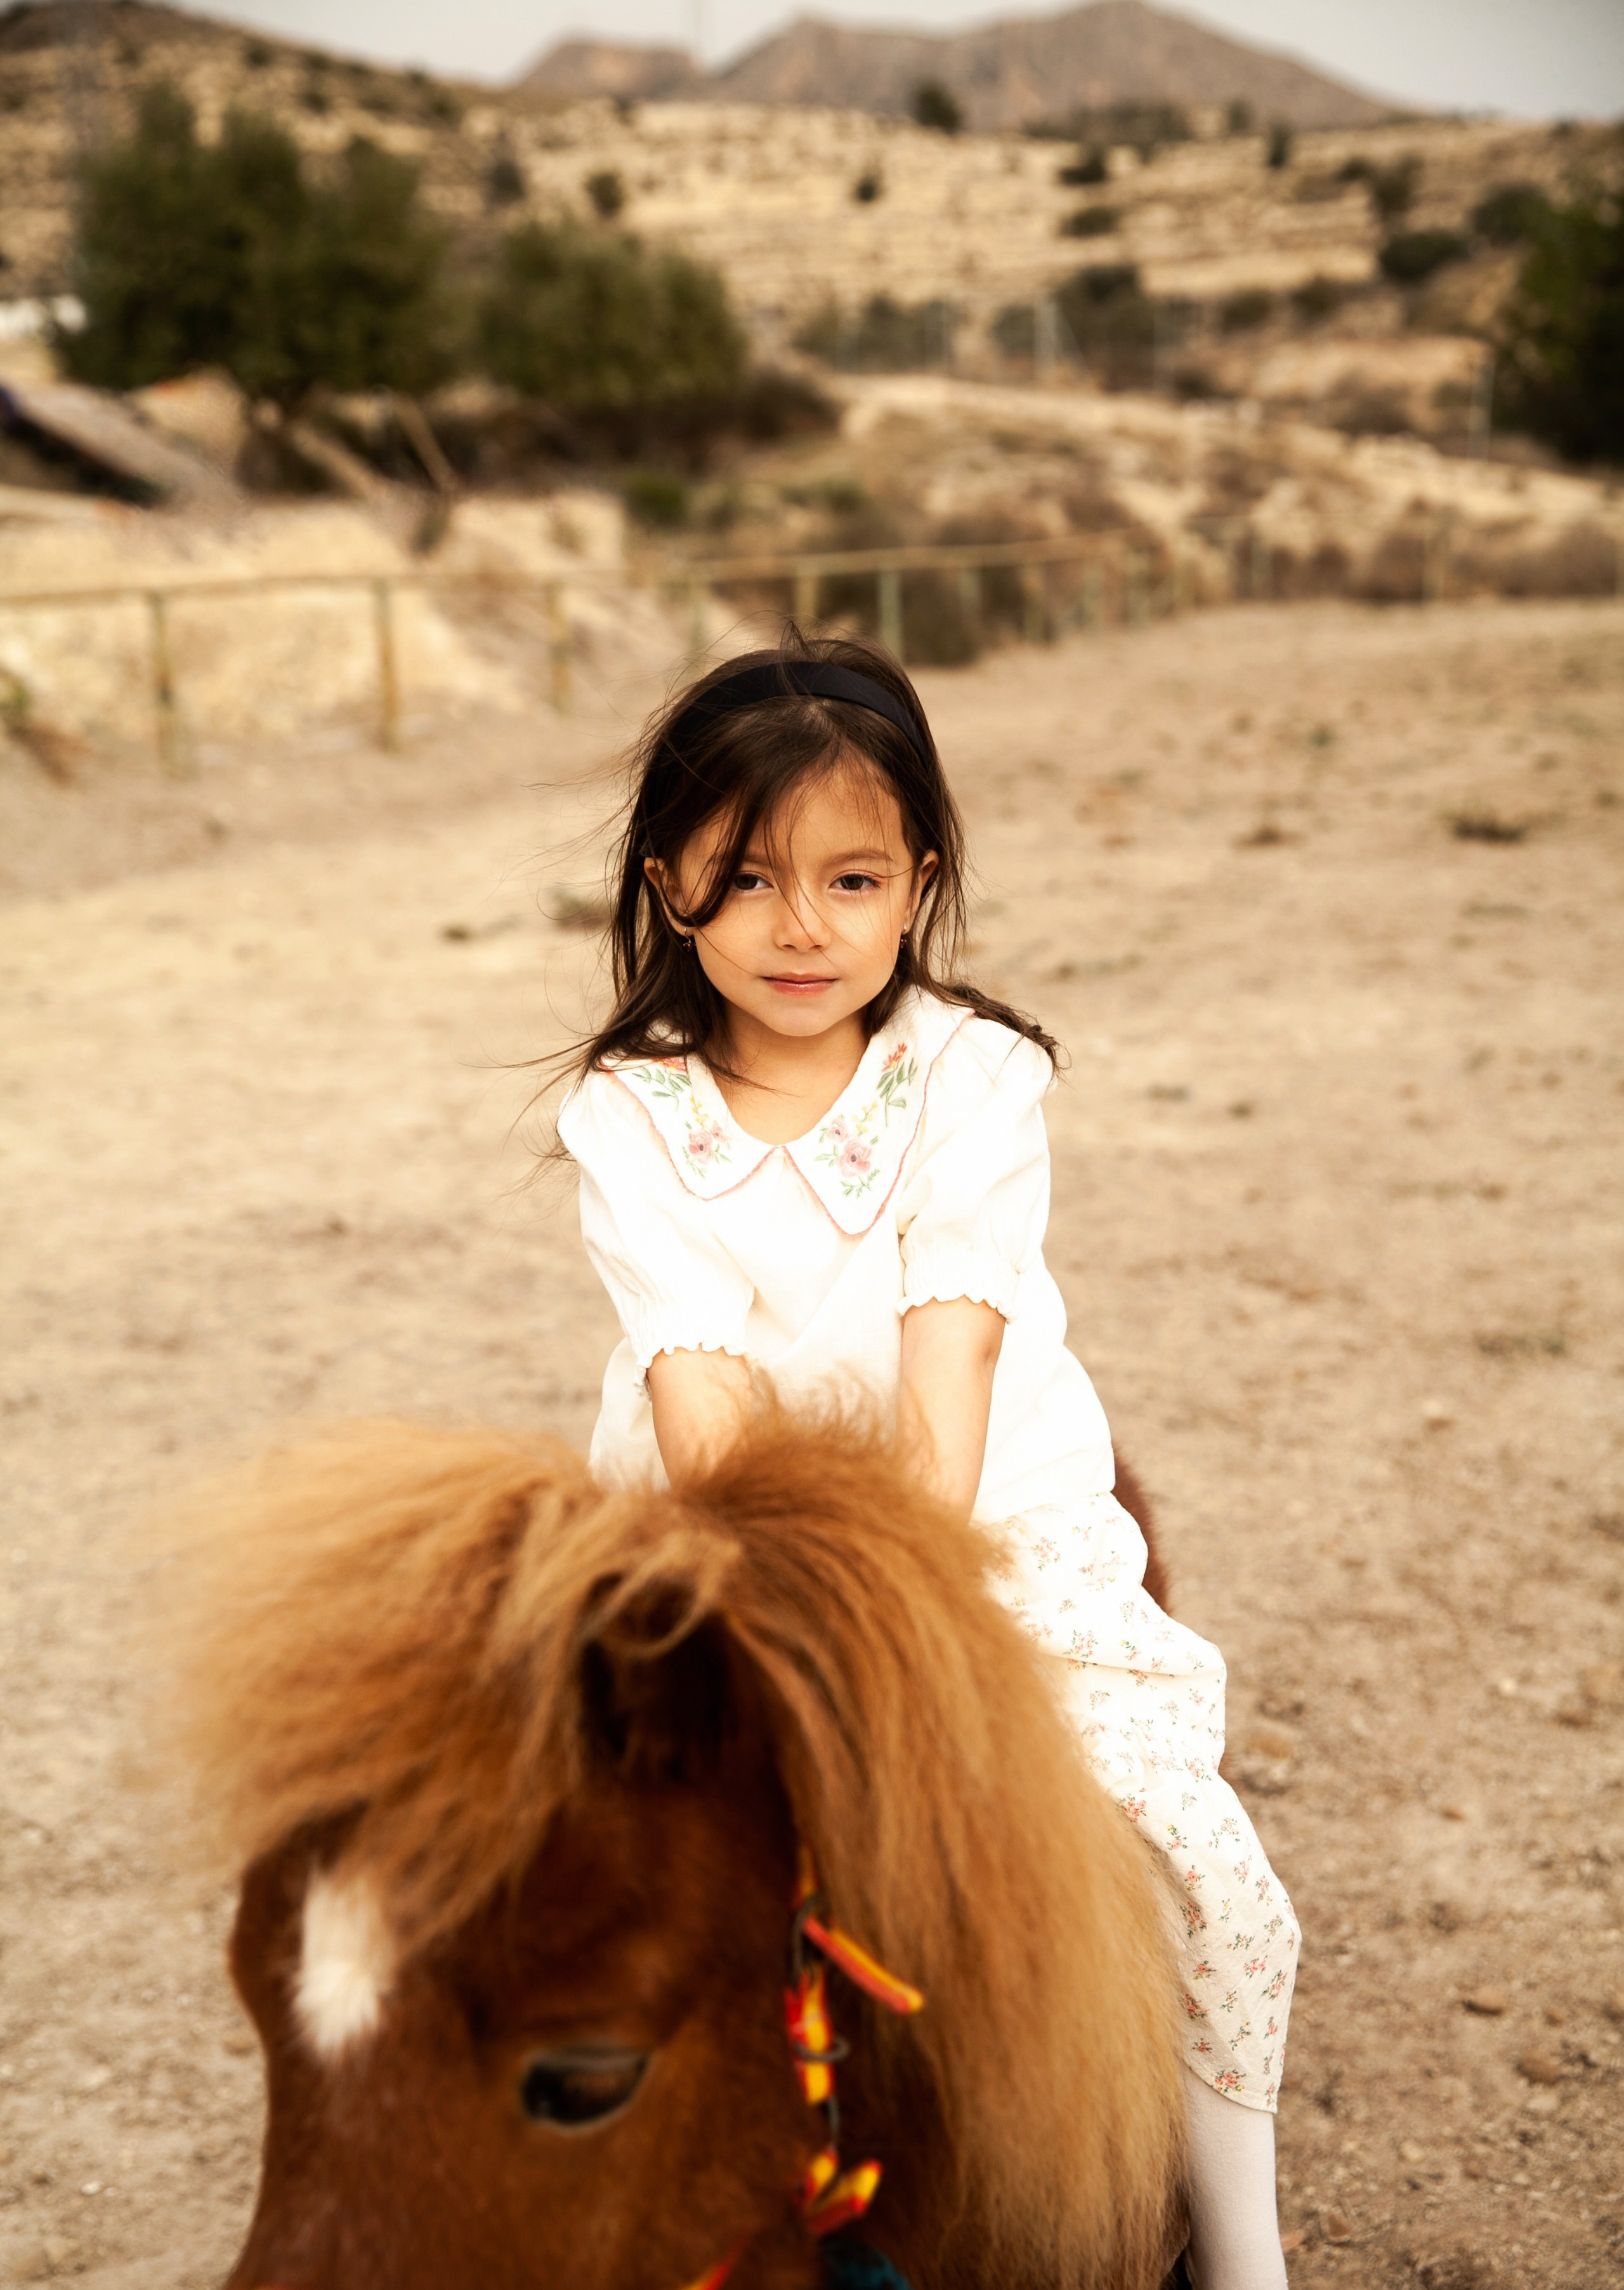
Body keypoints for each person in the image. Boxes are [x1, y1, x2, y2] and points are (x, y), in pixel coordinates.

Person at [554, 633, 1299, 2290]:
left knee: (1210, 1883)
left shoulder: (970, 1078)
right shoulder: (632, 1111)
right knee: (548, 1840)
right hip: (720, 1525)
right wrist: (779, 1606)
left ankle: (1246, 2254)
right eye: (743, 877)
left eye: (850, 875)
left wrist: (899, 1609)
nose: (798, 924)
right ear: (666, 878)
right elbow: (698, 1374)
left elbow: (949, 1343)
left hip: (981, 1520)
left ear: (921, 880)